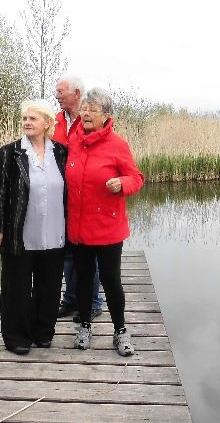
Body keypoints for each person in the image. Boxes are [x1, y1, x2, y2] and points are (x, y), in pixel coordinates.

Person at [67, 87, 145, 357]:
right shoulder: (74, 141)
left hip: (108, 228)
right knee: (83, 280)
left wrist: (121, 183)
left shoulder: (117, 144)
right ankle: (85, 327)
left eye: (93, 109)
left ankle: (120, 330)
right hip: (79, 227)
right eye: (84, 108)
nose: (86, 113)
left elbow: (136, 178)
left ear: (106, 115)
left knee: (111, 281)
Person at [0, 100, 68, 355]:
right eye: (24, 118)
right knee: (16, 287)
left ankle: (43, 332)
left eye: (33, 119)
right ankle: (17, 337)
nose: (27, 123)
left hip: (54, 229)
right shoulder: (10, 152)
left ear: (47, 123)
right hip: (19, 231)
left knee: (50, 286)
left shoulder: (61, 152)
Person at [52, 75, 104, 322]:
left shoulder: (89, 120)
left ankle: (93, 302)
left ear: (76, 93)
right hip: (61, 195)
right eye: (56, 92)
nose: (57, 96)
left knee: (88, 251)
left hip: (85, 195)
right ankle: (71, 299)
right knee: (67, 251)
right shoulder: (56, 121)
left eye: (61, 91)